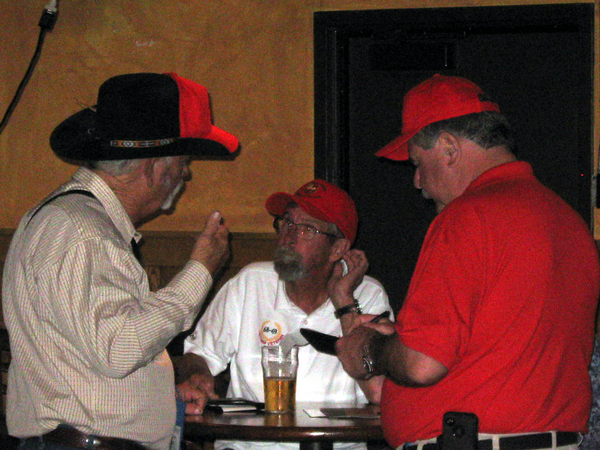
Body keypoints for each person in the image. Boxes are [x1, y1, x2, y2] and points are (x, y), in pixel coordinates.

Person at [334, 74, 600, 450]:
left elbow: (421, 365)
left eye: (417, 163)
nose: (416, 182)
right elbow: (502, 347)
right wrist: (401, 340)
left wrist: (367, 348)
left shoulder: (468, 216)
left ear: (448, 148)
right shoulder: (569, 221)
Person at [2, 72, 239, 450]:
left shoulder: (76, 221)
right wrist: (200, 271)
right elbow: (119, 348)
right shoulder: (83, 230)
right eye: (183, 160)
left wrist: (161, 395)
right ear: (153, 166)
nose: (186, 172)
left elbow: (88, 357)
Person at [175, 179, 392, 450]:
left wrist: (345, 302)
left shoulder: (368, 295)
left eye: (307, 229)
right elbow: (199, 355)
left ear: (338, 249)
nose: (289, 235)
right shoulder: (251, 283)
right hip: (249, 446)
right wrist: (198, 374)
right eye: (287, 223)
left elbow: (384, 395)